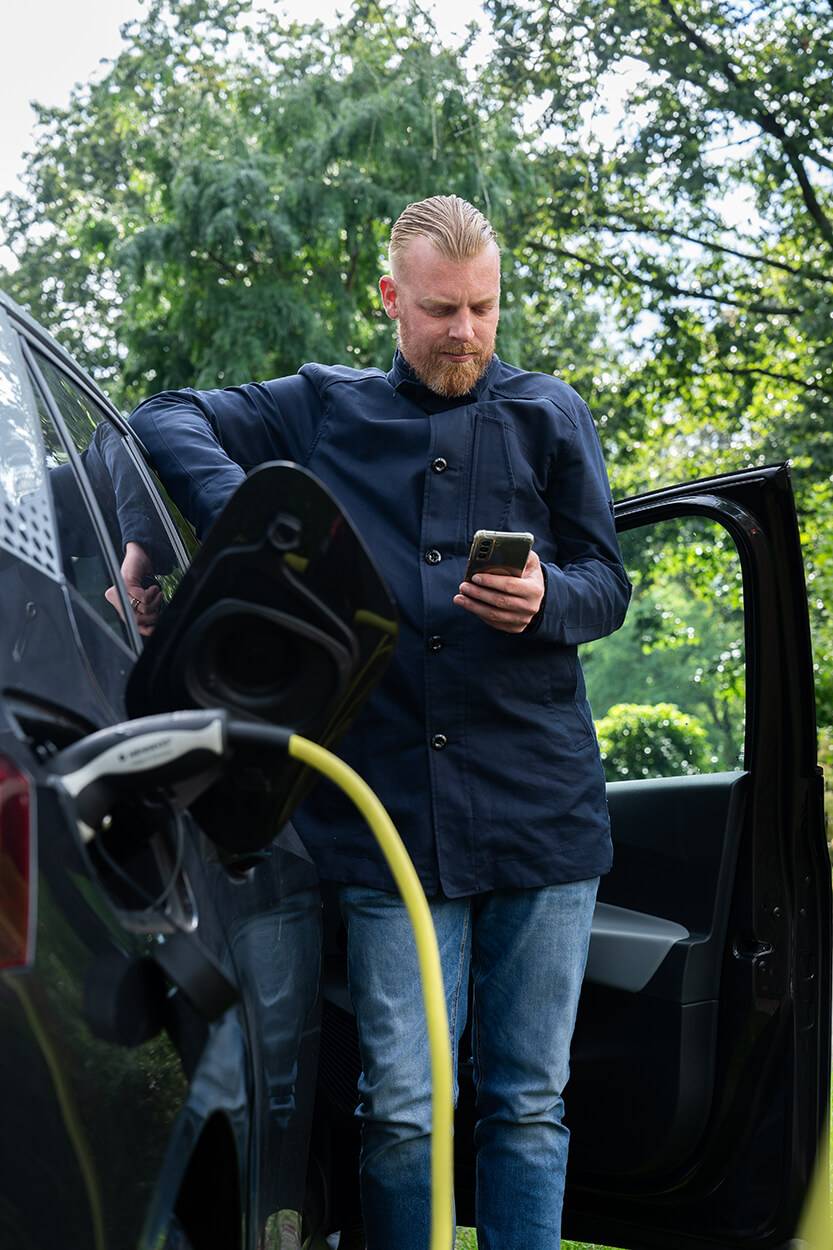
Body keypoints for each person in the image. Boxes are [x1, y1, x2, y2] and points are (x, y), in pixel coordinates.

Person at [129, 194, 631, 1250]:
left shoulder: (552, 413)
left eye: (484, 309)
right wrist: (259, 523)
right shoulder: (321, 404)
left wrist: (549, 599)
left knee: (528, 1102)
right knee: (401, 1108)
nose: (466, 332)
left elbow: (606, 583)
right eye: (442, 309)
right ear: (390, 298)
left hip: (542, 814)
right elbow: (164, 414)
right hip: (386, 813)